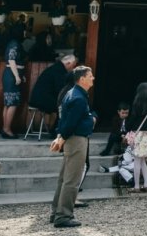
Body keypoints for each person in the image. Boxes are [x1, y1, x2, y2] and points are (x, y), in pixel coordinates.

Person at [50, 66, 95, 229]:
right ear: (82, 79)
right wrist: (91, 120)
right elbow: (71, 123)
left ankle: (56, 211)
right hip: (76, 140)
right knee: (72, 180)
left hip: (70, 139)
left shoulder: (71, 94)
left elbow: (65, 121)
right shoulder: (78, 98)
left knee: (64, 179)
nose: (93, 78)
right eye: (90, 76)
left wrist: (60, 136)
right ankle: (63, 215)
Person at [31, 53, 77, 131]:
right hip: (42, 101)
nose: (73, 68)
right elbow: (61, 90)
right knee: (67, 106)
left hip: (39, 98)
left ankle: (57, 130)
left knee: (66, 104)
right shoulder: (59, 71)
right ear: (68, 63)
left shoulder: (56, 68)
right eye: (73, 66)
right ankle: (58, 131)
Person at [127, 82, 147, 191]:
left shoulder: (137, 103)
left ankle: (136, 186)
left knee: (137, 161)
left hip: (138, 134)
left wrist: (128, 128)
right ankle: (146, 183)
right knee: (143, 160)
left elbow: (132, 119)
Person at [1, 23, 26, 139]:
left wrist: (21, 75)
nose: (25, 33)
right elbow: (11, 60)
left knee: (8, 103)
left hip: (10, 75)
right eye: (24, 31)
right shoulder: (14, 44)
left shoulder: (13, 43)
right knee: (13, 103)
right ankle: (7, 129)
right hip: (11, 76)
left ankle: (5, 128)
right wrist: (17, 76)